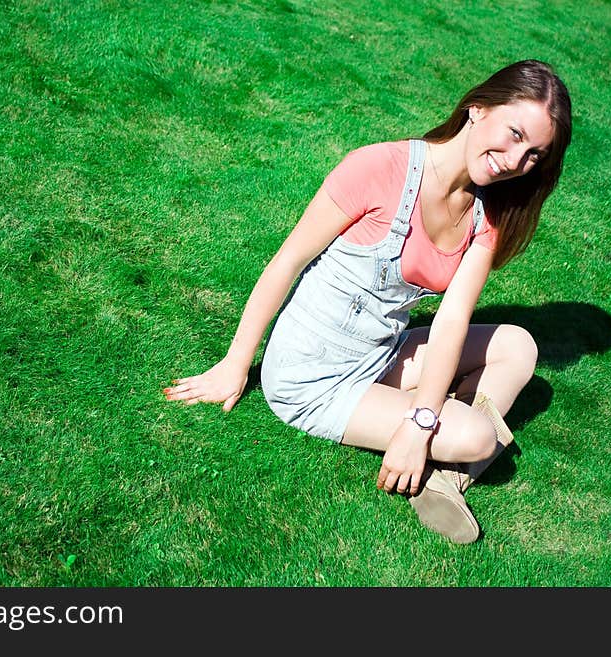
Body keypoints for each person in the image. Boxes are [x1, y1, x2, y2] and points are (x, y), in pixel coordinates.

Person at [163, 60, 572, 543]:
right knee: (477, 435)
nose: (514, 159)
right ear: (477, 109)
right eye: (514, 133)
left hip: (380, 353)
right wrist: (235, 364)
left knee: (518, 345)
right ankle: (452, 446)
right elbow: (287, 261)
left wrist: (420, 424)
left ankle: (447, 478)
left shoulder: (486, 217)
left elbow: (451, 322)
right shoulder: (381, 168)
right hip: (314, 375)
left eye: (533, 155)